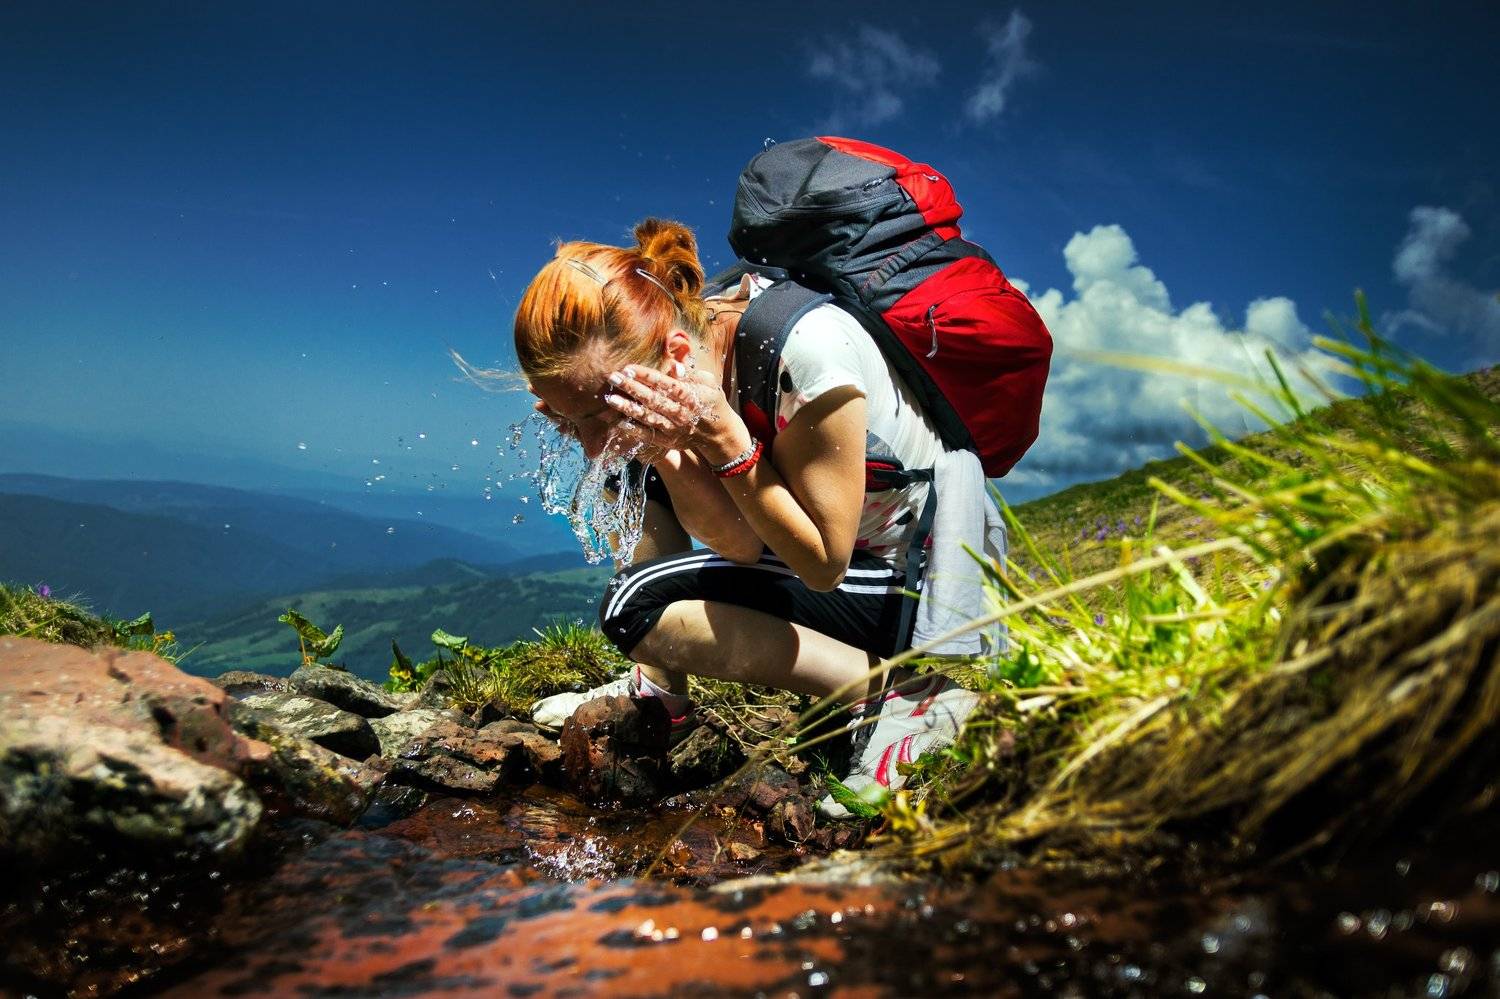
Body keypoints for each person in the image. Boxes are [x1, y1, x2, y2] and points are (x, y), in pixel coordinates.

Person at [517, 218, 979, 818]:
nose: (583, 442)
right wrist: (647, 443)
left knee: (633, 606)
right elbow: (735, 543)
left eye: (590, 417)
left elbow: (823, 564)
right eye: (568, 419)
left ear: (675, 355)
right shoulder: (685, 344)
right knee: (629, 458)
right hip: (811, 554)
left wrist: (727, 443)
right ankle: (659, 691)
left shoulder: (810, 352)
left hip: (902, 576)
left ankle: (904, 694)